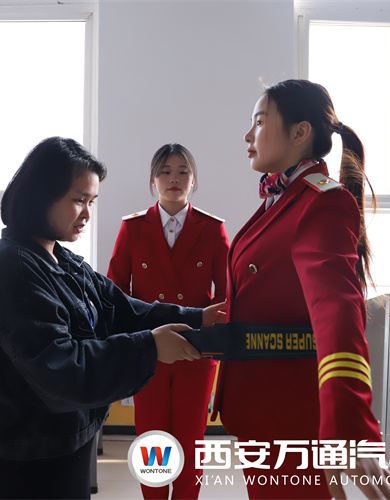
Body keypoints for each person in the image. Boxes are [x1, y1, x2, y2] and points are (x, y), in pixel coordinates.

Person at [211, 80, 390, 499]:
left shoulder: (322, 203)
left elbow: (337, 310)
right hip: (262, 407)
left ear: (299, 133)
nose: (248, 136)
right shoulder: (282, 199)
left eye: (259, 122)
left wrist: (350, 425)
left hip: (291, 413)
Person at [0, 136, 226, 500]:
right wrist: (150, 348)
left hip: (64, 439)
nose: (87, 214)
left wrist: (198, 318)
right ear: (41, 195)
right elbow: (61, 367)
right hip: (31, 454)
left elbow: (121, 307)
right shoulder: (14, 270)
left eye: (91, 201)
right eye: (79, 200)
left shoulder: (59, 257)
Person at [107, 143, 229, 499]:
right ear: (153, 179)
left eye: (182, 172)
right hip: (150, 349)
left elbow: (226, 294)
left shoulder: (212, 228)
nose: (173, 179)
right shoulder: (133, 227)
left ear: (193, 180)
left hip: (197, 351)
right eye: (165, 171)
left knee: (191, 443)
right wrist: (133, 342)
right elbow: (116, 292)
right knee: (153, 441)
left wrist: (209, 341)